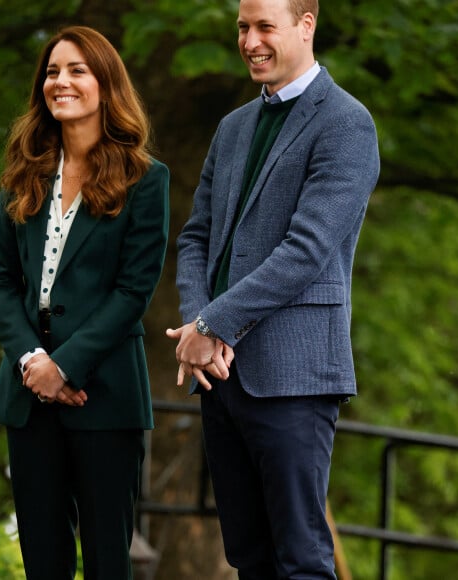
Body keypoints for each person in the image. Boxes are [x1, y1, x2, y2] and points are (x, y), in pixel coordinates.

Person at [166, 0, 380, 577]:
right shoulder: (232, 126)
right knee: (247, 558)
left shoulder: (346, 122)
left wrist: (213, 324)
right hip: (221, 377)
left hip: (294, 376)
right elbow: (195, 238)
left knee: (303, 559)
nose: (250, 40)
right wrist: (197, 327)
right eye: (243, 27)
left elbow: (306, 251)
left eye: (265, 27)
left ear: (306, 25)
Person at [0, 26, 169, 580]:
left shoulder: (145, 179)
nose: (60, 81)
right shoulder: (23, 174)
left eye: (77, 70)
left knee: (110, 561)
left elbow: (135, 290)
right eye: (52, 71)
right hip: (27, 393)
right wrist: (32, 363)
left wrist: (64, 364)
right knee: (42, 560)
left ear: (106, 84)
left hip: (104, 394)